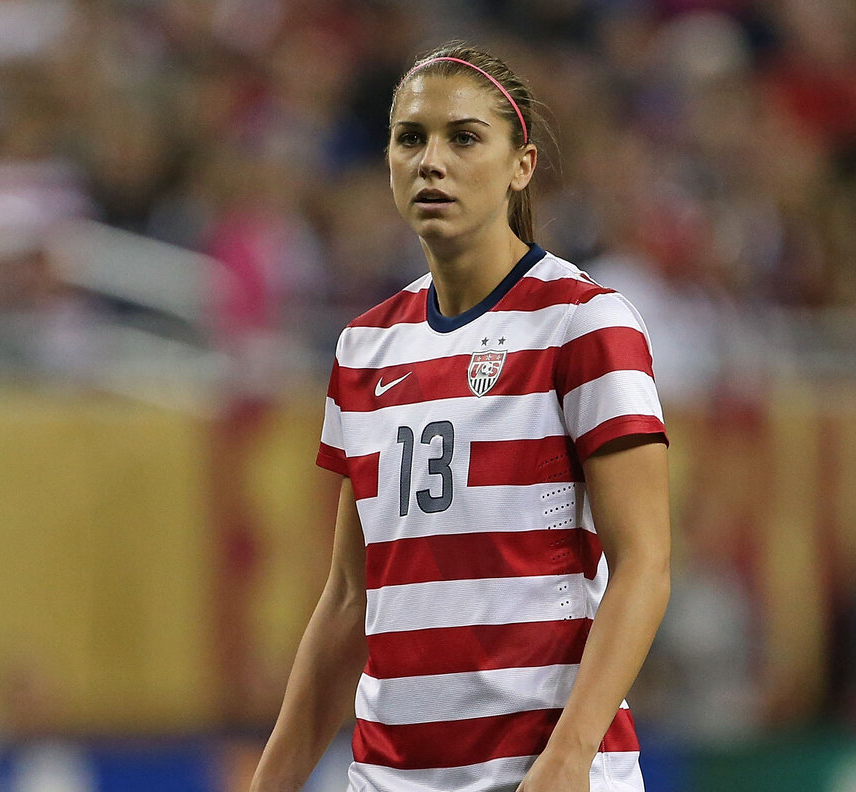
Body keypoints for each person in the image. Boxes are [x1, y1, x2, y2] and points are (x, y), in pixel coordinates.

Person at [249, 42, 671, 792]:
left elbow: (645, 563)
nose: (431, 160)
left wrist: (569, 760)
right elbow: (352, 597)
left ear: (522, 165)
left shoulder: (583, 323)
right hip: (390, 777)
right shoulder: (364, 348)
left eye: (464, 137)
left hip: (543, 770)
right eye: (410, 138)